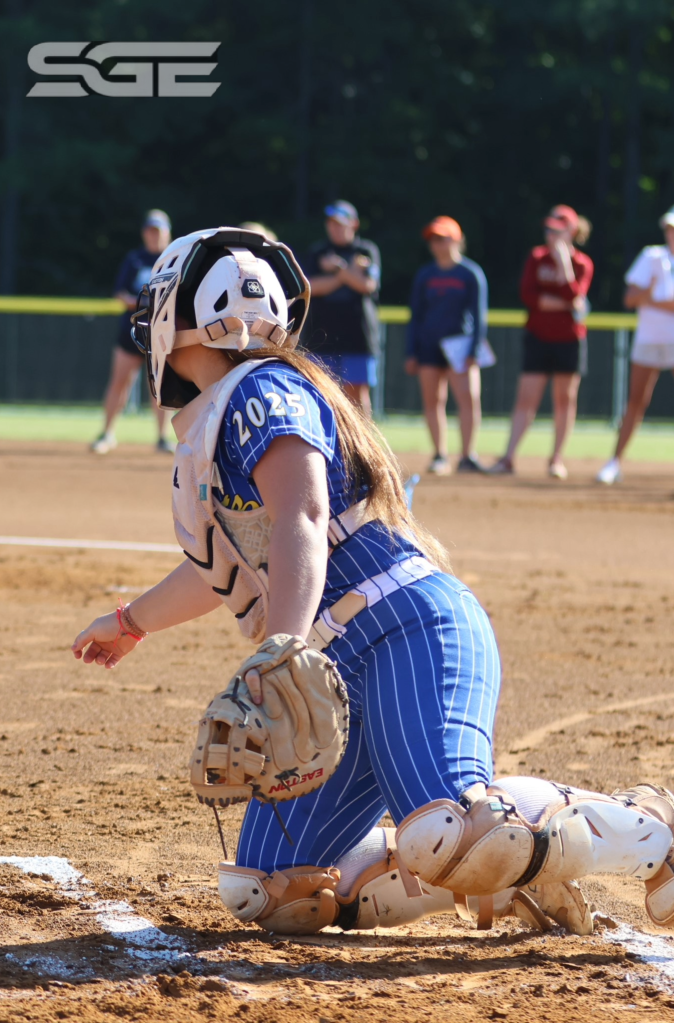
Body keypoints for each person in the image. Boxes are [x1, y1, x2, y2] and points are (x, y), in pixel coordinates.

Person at [71, 227, 674, 940]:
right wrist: (131, 621)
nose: (149, 323)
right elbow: (228, 568)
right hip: (342, 664)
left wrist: (283, 649)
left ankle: (647, 828)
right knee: (271, 888)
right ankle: (510, 866)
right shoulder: (225, 412)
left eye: (160, 305)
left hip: (405, 627)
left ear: (200, 312)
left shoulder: (261, 389)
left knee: (450, 831)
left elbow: (303, 513)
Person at [490, 206, 593, 479]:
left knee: (564, 400)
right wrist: (567, 304)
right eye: (549, 229)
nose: (551, 235)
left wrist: (564, 265)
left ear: (572, 231)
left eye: (558, 230)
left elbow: (575, 295)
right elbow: (530, 297)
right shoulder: (536, 257)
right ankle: (508, 457)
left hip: (569, 339)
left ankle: (556, 459)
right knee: (526, 399)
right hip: (538, 336)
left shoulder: (582, 263)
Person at [405, 216, 489, 475]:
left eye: (442, 238)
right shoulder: (426, 274)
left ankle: (467, 456)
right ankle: (440, 455)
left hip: (460, 346)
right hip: (429, 345)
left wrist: (474, 350)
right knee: (433, 400)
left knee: (468, 399)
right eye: (433, 239)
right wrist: (411, 351)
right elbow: (416, 315)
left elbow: (480, 315)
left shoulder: (470, 273)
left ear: (457, 240)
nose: (437, 244)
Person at [597, 207, 674, 484]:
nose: (671, 234)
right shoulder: (652, 256)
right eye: (669, 229)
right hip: (649, 339)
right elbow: (630, 299)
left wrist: (650, 298)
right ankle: (614, 462)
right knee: (636, 401)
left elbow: (644, 298)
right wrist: (653, 298)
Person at [91, 209, 174, 455]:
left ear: (167, 233)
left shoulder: (173, 259)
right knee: (119, 382)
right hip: (132, 331)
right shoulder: (134, 259)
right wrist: (143, 303)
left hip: (160, 333)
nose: (153, 235)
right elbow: (119, 293)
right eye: (150, 230)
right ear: (144, 233)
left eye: (158, 231)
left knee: (160, 388)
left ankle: (162, 438)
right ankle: (106, 434)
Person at [302, 201, 380, 416]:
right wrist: (348, 274)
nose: (335, 228)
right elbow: (311, 287)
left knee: (356, 396)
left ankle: (360, 439)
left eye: (340, 223)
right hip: (322, 337)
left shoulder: (365, 250)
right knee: (321, 393)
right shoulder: (318, 251)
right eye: (331, 223)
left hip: (358, 338)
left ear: (354, 224)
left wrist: (338, 269)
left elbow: (367, 285)